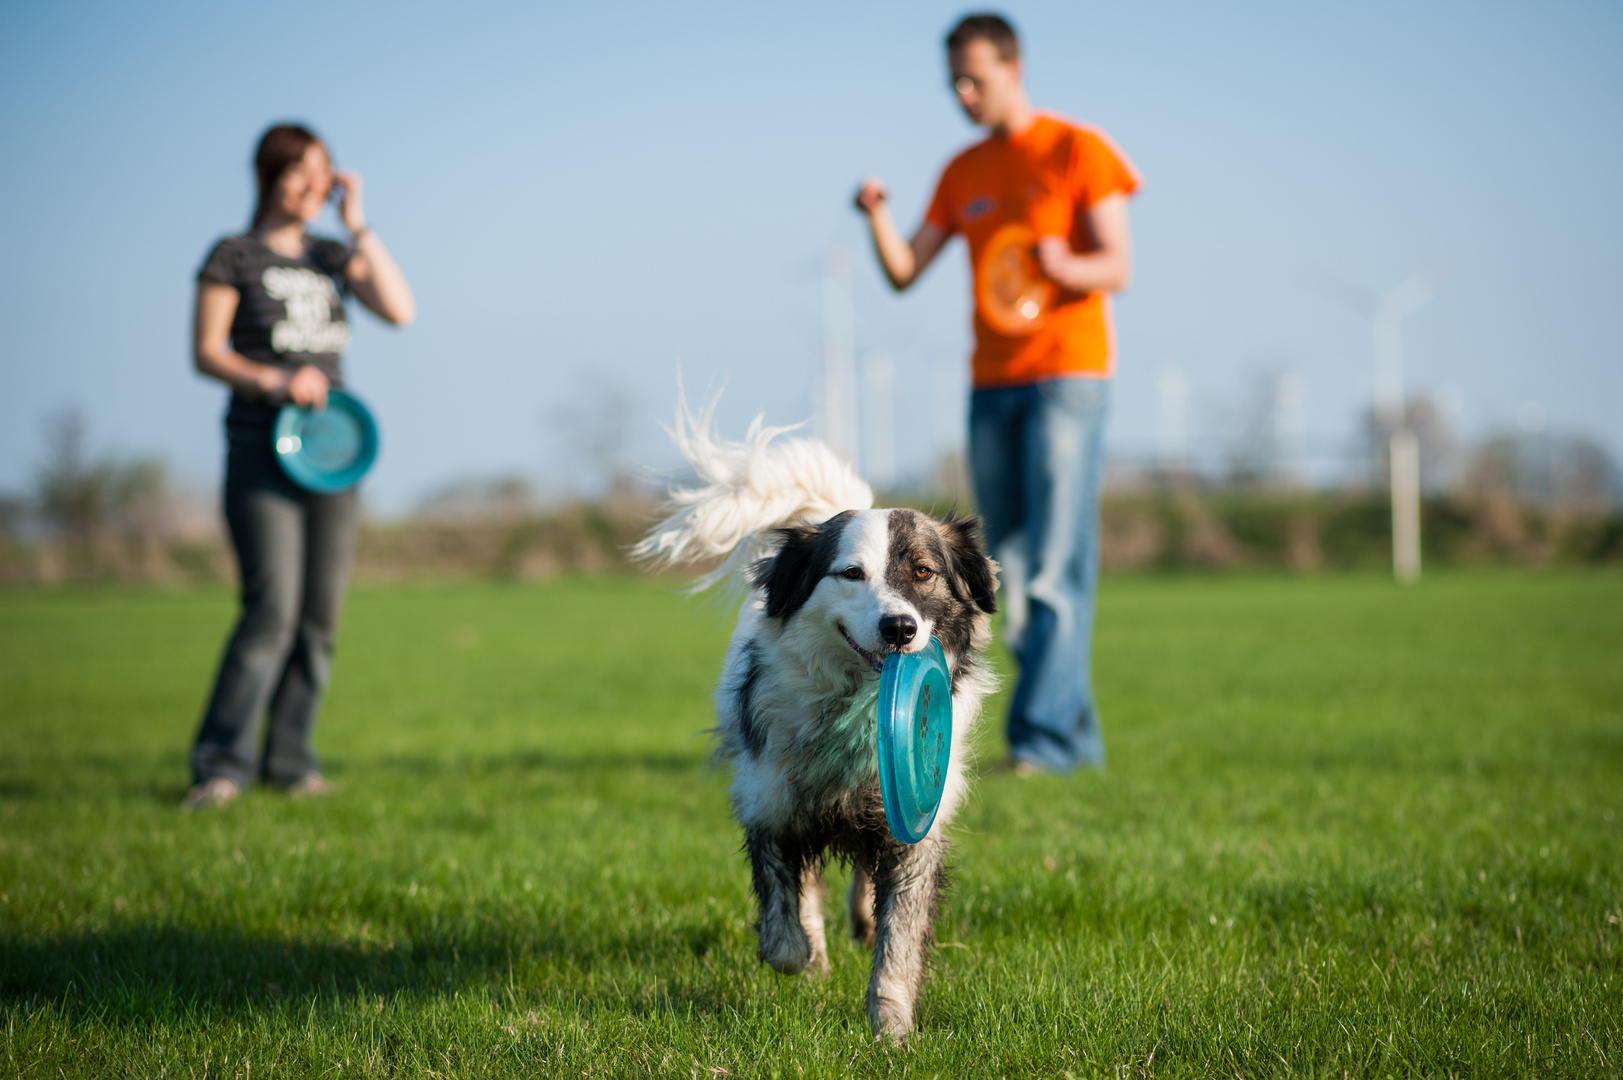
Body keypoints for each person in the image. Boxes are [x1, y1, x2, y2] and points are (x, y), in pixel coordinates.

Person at [855, 13, 1139, 773]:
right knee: (1004, 569)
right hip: (991, 384)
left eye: (975, 76)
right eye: (953, 79)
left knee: (1052, 567)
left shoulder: (1078, 150)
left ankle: (1042, 743)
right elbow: (904, 271)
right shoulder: (962, 171)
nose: (963, 91)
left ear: (1013, 66)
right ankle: (1073, 741)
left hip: (1066, 378)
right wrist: (876, 217)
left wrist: (1062, 265)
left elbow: (1116, 265)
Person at [184, 123, 416, 809]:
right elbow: (206, 351)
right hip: (262, 448)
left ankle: (291, 763)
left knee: (319, 620)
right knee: (271, 613)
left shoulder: (330, 254)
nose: (314, 183)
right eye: (301, 172)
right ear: (269, 175)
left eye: (324, 171)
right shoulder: (234, 254)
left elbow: (400, 312)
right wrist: (274, 381)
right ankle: (220, 766)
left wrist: (359, 225)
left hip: (334, 457)